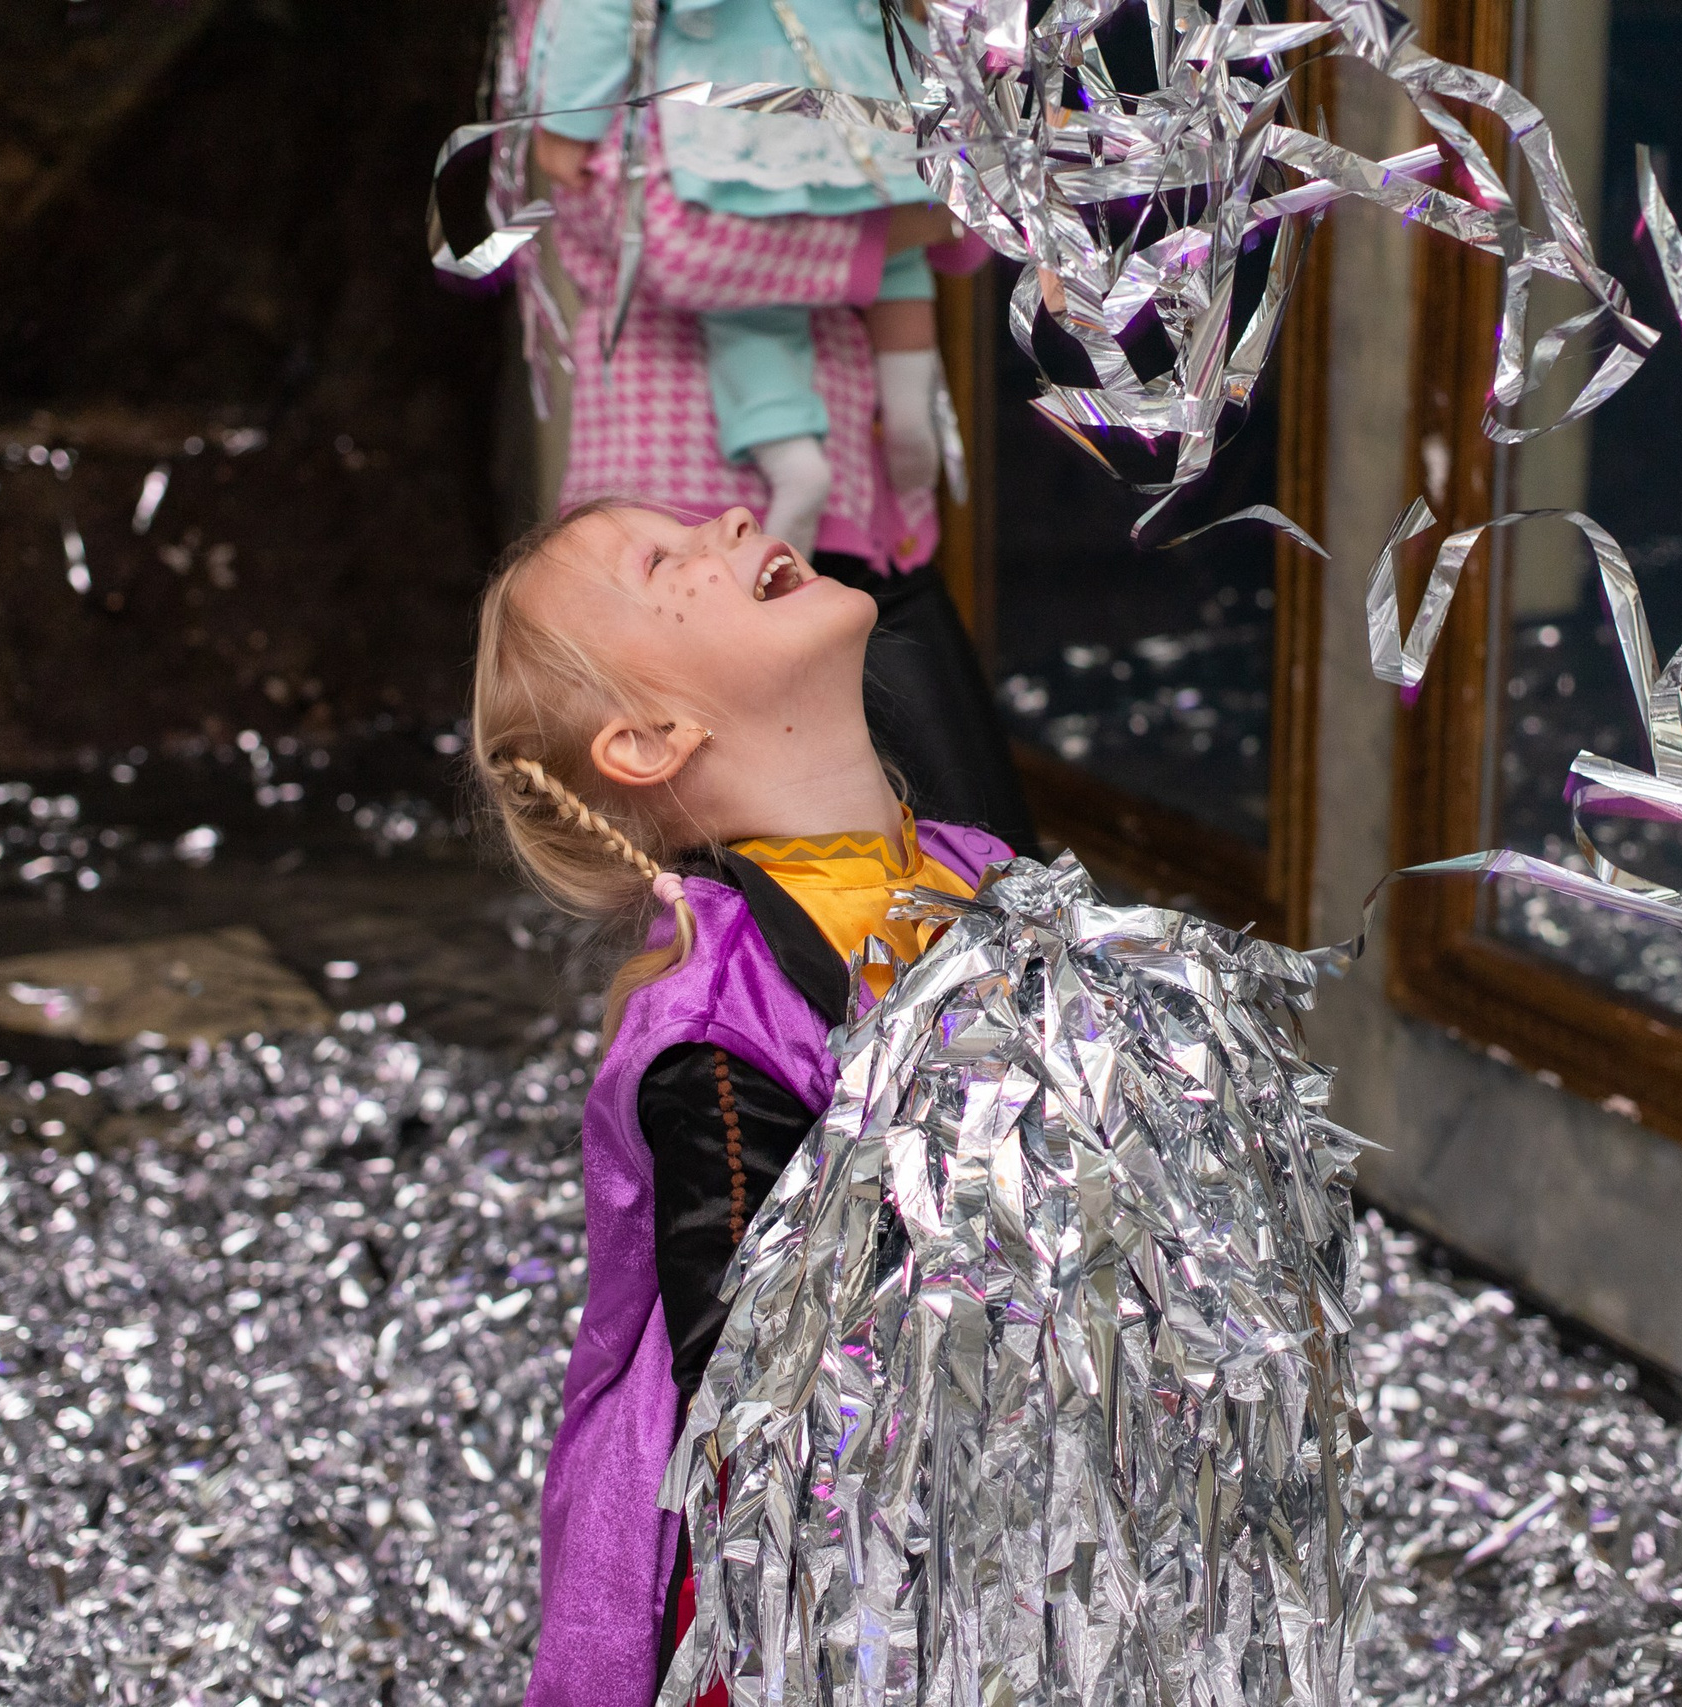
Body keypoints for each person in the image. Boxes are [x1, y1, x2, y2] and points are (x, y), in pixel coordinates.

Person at [468, 500, 1012, 1707]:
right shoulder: (717, 1033)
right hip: (827, 1611)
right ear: (651, 736)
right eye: (662, 559)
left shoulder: (983, 874)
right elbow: (769, 1404)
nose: (729, 513)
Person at [528, 104, 1038, 854]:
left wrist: (980, 167)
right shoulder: (605, 32)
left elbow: (960, 224)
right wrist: (926, 210)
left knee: (970, 855)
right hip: (690, 504)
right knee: (720, 880)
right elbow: (677, 245)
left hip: (848, 501)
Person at [532, 0, 946, 551]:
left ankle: (803, 450)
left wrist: (568, 115)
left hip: (752, 90)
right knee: (888, 236)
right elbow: (680, 254)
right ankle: (904, 413)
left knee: (757, 289)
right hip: (857, 80)